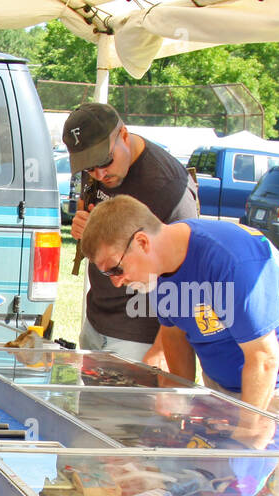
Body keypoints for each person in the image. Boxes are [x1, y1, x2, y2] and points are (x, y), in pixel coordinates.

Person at [81, 195, 279, 445]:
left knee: (249, 478)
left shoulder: (228, 258)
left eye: (115, 269)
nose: (116, 281)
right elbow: (173, 333)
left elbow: (265, 358)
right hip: (225, 389)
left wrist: (245, 434)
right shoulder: (158, 269)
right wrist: (178, 401)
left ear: (142, 242)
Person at [64, 102, 198, 363]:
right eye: (89, 168)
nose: (99, 174)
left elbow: (188, 278)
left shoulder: (168, 186)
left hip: (138, 333)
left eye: (105, 162)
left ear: (123, 135)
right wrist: (86, 227)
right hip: (97, 318)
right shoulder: (97, 169)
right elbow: (95, 216)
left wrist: (160, 350)